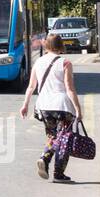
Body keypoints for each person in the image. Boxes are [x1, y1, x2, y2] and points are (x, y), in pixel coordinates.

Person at [19, 33, 83, 183]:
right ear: (61, 45)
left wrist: (25, 104)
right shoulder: (65, 63)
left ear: (46, 45)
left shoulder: (38, 62)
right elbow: (70, 89)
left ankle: (45, 158)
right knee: (64, 139)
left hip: (44, 106)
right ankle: (56, 171)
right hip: (62, 106)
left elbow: (31, 87)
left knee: (53, 136)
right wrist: (78, 109)